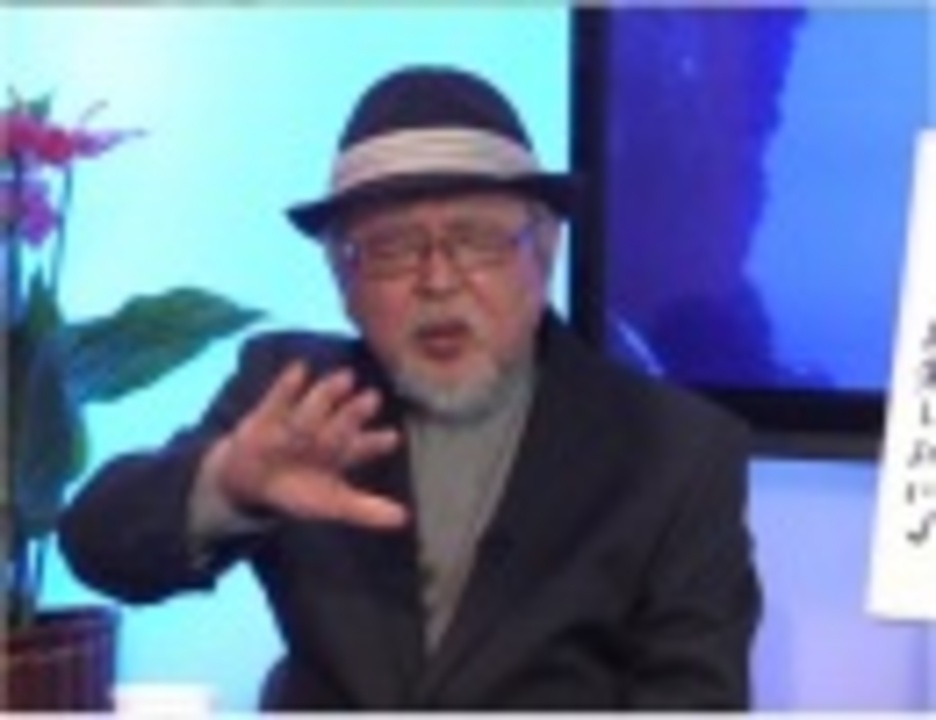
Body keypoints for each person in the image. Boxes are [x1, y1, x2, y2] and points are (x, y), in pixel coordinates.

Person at [59, 65, 762, 710]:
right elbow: (95, 545)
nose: (438, 280)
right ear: (344, 280)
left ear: (543, 252)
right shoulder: (298, 399)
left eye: (476, 239)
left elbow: (695, 698)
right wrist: (229, 484)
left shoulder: (675, 450)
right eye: (393, 248)